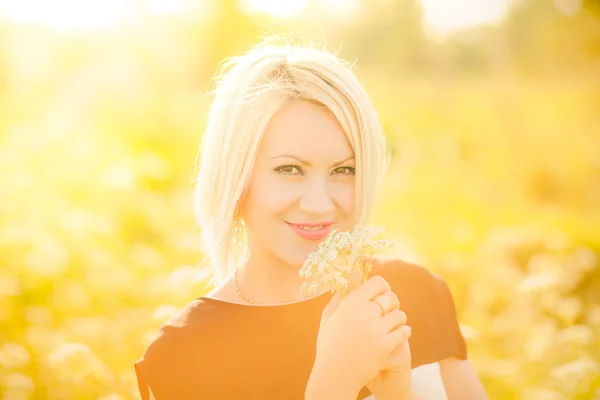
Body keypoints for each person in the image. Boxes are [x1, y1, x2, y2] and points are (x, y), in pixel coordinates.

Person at [134, 40, 489, 400]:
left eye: (343, 170)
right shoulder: (182, 355)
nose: (319, 205)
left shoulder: (414, 295)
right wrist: (335, 382)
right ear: (235, 175)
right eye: (289, 169)